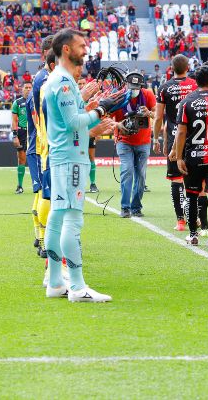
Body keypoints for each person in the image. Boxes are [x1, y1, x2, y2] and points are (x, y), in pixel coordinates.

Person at [42, 28, 120, 302]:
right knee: (73, 220)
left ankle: (54, 282)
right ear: (66, 49)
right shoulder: (62, 82)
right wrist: (100, 109)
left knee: (56, 218)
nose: (86, 49)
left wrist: (92, 111)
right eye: (81, 45)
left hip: (64, 156)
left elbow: (73, 121)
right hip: (70, 159)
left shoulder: (61, 80)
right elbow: (73, 122)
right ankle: (77, 287)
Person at [170, 65, 208, 250]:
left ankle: (193, 235)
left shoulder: (187, 101)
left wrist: (179, 157)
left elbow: (181, 132)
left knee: (192, 196)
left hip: (193, 156)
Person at [153, 55, 198, 231]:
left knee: (176, 179)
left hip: (174, 137)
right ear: (188, 67)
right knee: (194, 180)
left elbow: (158, 118)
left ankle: (180, 220)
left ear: (171, 68)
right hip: (194, 137)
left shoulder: (164, 88)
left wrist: (157, 138)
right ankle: (197, 217)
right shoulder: (195, 85)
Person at [111, 71, 157, 218]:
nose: (134, 90)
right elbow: (105, 118)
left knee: (141, 175)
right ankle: (125, 207)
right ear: (126, 84)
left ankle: (136, 207)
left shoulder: (148, 95)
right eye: (131, 87)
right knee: (127, 171)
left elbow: (158, 115)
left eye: (137, 87)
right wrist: (118, 124)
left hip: (143, 141)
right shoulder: (117, 96)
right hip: (124, 141)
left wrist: (149, 113)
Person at [25, 36, 55, 259]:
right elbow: (39, 117)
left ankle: (40, 236)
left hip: (42, 144)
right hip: (40, 145)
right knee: (43, 193)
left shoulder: (44, 78)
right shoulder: (44, 80)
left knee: (41, 193)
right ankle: (43, 239)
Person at [77, 76, 99, 193]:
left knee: (91, 157)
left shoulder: (92, 100)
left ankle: (93, 183)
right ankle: (79, 183)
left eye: (83, 84)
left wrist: (97, 132)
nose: (81, 86)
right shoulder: (75, 99)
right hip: (77, 133)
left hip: (90, 133)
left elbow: (97, 116)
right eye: (79, 84)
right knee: (78, 157)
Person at [11, 82, 32, 194]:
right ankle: (20, 185)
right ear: (22, 89)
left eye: (30, 87)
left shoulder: (36, 101)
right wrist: (15, 135)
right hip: (22, 132)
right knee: (22, 159)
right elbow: (14, 120)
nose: (28, 89)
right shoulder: (17, 103)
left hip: (35, 132)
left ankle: (39, 184)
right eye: (26, 87)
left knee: (38, 158)